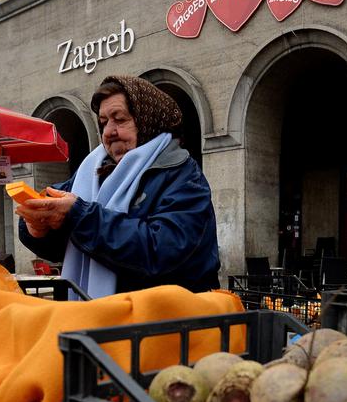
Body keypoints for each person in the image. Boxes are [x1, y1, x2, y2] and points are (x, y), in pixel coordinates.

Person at [16, 75, 220, 298]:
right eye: (104, 122)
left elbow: (163, 250)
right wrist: (39, 230)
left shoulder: (182, 174)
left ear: (148, 121)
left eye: (120, 119)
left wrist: (80, 215)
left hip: (170, 322)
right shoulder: (91, 171)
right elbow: (68, 244)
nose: (109, 132)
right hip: (106, 320)